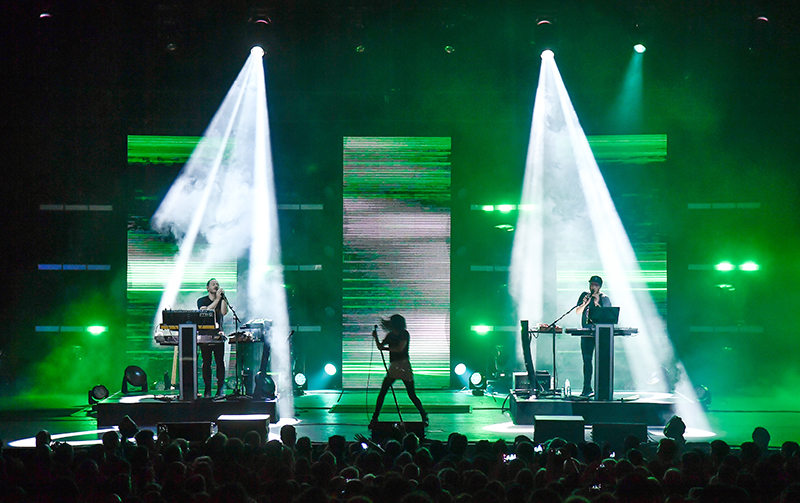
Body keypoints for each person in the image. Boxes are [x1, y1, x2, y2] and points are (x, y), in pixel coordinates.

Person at [370, 314, 428, 427]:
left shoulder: (404, 334)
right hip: (395, 366)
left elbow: (400, 348)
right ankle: (375, 417)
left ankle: (424, 416)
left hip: (403, 365)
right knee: (383, 392)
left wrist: (386, 348)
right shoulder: (390, 335)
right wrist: (375, 338)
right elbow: (380, 347)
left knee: (411, 394)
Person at [575, 275, 612, 397]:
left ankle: (601, 389)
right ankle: (587, 388)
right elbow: (578, 311)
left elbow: (607, 316)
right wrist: (586, 303)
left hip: (601, 334)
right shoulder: (584, 296)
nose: (593, 287)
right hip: (586, 333)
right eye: (591, 284)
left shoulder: (604, 298)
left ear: (600, 287)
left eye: (595, 285)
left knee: (601, 361)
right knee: (587, 360)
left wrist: (596, 303)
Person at [198, 278, 228, 397]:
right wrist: (217, 299)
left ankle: (220, 389)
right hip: (205, 335)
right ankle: (207, 389)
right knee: (207, 363)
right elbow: (207, 310)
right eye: (213, 284)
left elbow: (224, 312)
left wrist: (223, 299)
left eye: (217, 284)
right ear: (208, 288)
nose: (216, 286)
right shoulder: (201, 301)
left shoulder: (221, 300)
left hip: (218, 335)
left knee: (220, 362)